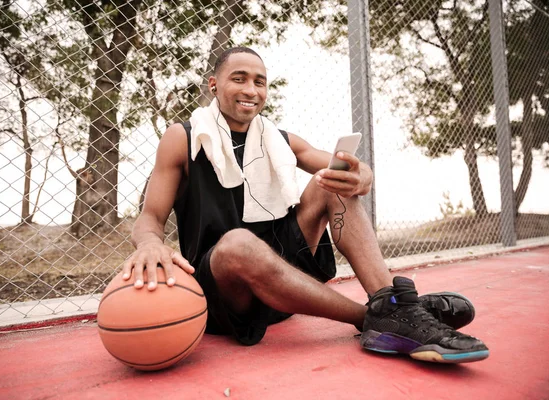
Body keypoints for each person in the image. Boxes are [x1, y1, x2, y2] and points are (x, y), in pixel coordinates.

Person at [122, 47, 489, 363]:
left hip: (288, 283)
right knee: (237, 242)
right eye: (239, 78)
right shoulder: (182, 138)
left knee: (330, 180)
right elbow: (149, 218)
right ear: (214, 84)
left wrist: (363, 177)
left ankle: (389, 303)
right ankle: (378, 318)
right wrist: (151, 242)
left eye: (259, 81)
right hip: (226, 295)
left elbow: (340, 165)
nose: (251, 89)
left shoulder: (279, 139)